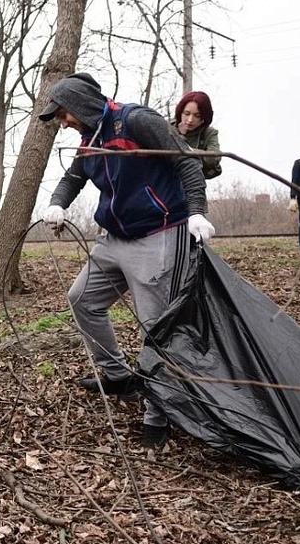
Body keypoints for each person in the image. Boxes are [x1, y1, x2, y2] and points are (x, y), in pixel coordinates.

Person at [38, 73, 215, 450]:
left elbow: (187, 163)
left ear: (82, 104)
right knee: (82, 299)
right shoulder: (90, 141)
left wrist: (197, 212)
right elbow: (72, 178)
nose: (63, 123)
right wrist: (57, 204)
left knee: (156, 326)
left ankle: (158, 414)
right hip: (114, 237)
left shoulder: (137, 121)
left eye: (64, 114)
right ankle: (119, 376)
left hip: (157, 233)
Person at [171, 90, 222, 180]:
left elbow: (214, 158)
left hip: (192, 181)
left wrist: (188, 151)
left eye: (197, 116)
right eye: (187, 114)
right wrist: (179, 135)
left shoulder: (209, 133)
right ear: (180, 112)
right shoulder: (167, 127)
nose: (190, 120)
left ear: (204, 117)